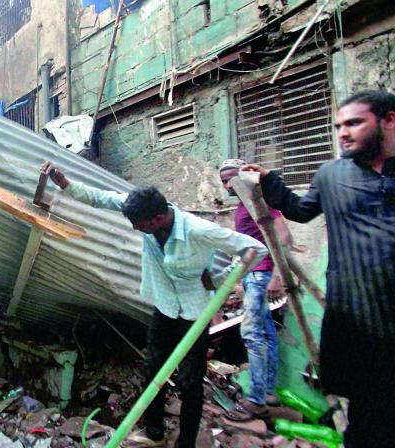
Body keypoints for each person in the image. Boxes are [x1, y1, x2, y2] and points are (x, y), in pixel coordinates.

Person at [42, 162, 267, 448]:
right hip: (164, 307)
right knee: (153, 369)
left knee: (190, 382)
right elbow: (99, 198)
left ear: (158, 218)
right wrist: (64, 183)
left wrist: (220, 279)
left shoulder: (198, 229)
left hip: (195, 314)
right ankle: (154, 432)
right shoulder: (142, 209)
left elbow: (256, 249)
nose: (135, 228)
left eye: (139, 225)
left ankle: (186, 442)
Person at [241, 90, 395, 447]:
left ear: (388, 120)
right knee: (365, 418)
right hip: (355, 319)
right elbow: (300, 210)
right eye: (339, 125)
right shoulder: (331, 175)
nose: (343, 132)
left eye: (355, 123)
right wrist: (269, 182)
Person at [218, 158, 294, 421]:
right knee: (266, 332)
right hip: (256, 274)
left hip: (262, 275)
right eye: (223, 181)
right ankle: (268, 393)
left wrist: (276, 276)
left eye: (230, 178)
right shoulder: (245, 203)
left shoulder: (257, 200)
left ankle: (256, 401)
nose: (227, 184)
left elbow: (285, 237)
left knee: (251, 334)